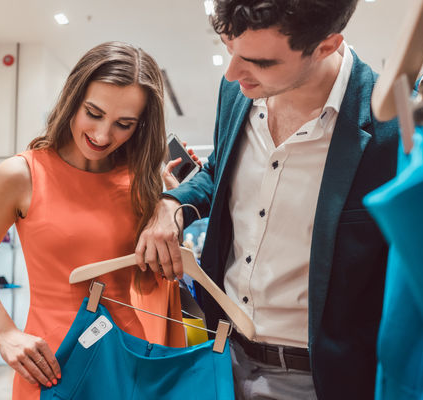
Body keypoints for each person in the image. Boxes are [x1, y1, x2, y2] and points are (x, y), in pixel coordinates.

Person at [136, 1, 399, 399]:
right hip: (218, 356)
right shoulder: (238, 90)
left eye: (259, 61)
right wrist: (173, 203)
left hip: (317, 380)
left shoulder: (392, 125)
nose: (232, 73)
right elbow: (219, 168)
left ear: (327, 45)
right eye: (229, 48)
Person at [0, 41, 169, 400]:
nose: (102, 135)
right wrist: (4, 332)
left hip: (128, 358)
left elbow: (148, 283)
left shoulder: (141, 182)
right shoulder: (21, 175)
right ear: (73, 98)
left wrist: (169, 206)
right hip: (49, 363)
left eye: (123, 124)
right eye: (93, 113)